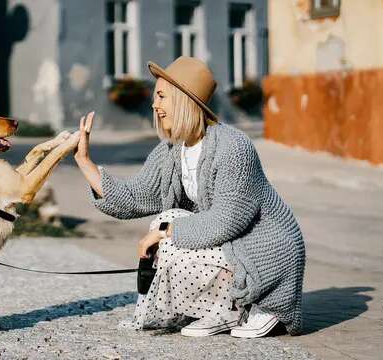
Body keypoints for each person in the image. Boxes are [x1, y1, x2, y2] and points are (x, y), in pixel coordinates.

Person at [73, 57, 305, 337]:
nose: (154, 105)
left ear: (184, 100)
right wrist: (85, 162)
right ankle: (220, 309)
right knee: (167, 220)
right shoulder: (172, 150)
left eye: (161, 96)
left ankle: (252, 305)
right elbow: (134, 198)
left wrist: (164, 233)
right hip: (230, 245)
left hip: (265, 250)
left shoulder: (234, 147)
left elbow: (226, 221)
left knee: (167, 230)